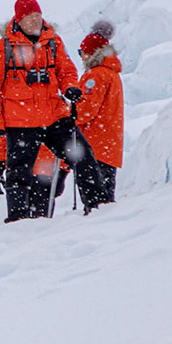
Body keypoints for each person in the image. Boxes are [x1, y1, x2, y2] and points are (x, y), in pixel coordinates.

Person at [0, 0, 81, 222]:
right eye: (29, 17)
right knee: (29, 190)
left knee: (35, 206)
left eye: (38, 16)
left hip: (45, 163)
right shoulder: (4, 50)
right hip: (39, 157)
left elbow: (67, 72)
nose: (35, 21)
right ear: (19, 19)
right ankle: (20, 227)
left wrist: (70, 87)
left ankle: (24, 231)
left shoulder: (53, 44)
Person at [73, 22, 124, 212]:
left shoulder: (95, 76)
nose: (81, 56)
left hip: (94, 145)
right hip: (108, 146)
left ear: (91, 53)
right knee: (105, 198)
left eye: (82, 51)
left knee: (94, 202)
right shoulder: (112, 74)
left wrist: (69, 111)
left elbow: (85, 111)